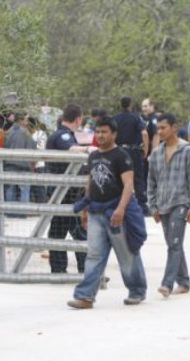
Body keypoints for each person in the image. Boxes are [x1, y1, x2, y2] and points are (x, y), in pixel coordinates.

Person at [68, 116, 147, 309]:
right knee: (94, 255)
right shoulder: (93, 156)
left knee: (127, 254)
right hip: (95, 212)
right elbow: (90, 183)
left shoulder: (122, 156)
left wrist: (120, 210)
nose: (100, 135)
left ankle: (137, 291)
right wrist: (85, 209)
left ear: (114, 134)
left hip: (115, 213)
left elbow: (129, 185)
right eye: (98, 132)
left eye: (105, 132)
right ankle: (85, 296)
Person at [147, 114, 190, 298]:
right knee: (173, 243)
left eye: (163, 128)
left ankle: (167, 284)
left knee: (174, 244)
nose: (160, 131)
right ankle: (184, 281)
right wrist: (152, 206)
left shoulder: (187, 150)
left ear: (174, 128)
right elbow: (151, 182)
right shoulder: (156, 153)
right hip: (163, 205)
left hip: (181, 203)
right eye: (158, 128)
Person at [46, 104, 95, 274]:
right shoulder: (62, 135)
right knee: (66, 231)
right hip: (63, 192)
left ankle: (82, 269)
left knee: (74, 230)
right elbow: (71, 149)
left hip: (68, 191)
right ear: (78, 119)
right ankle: (64, 269)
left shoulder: (65, 134)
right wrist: (88, 149)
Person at [114, 96, 150, 214]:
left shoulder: (115, 118)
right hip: (133, 151)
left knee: (118, 178)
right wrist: (145, 149)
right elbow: (144, 133)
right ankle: (142, 206)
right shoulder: (136, 117)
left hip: (119, 151)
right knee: (138, 178)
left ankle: (117, 203)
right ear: (130, 105)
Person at [3, 113, 37, 203]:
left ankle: (10, 213)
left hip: (9, 165)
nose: (26, 123)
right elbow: (32, 150)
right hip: (24, 166)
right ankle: (23, 213)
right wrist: (32, 165)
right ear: (20, 120)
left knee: (10, 189)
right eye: (25, 120)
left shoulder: (7, 132)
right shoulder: (26, 133)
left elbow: (4, 147)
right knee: (24, 190)